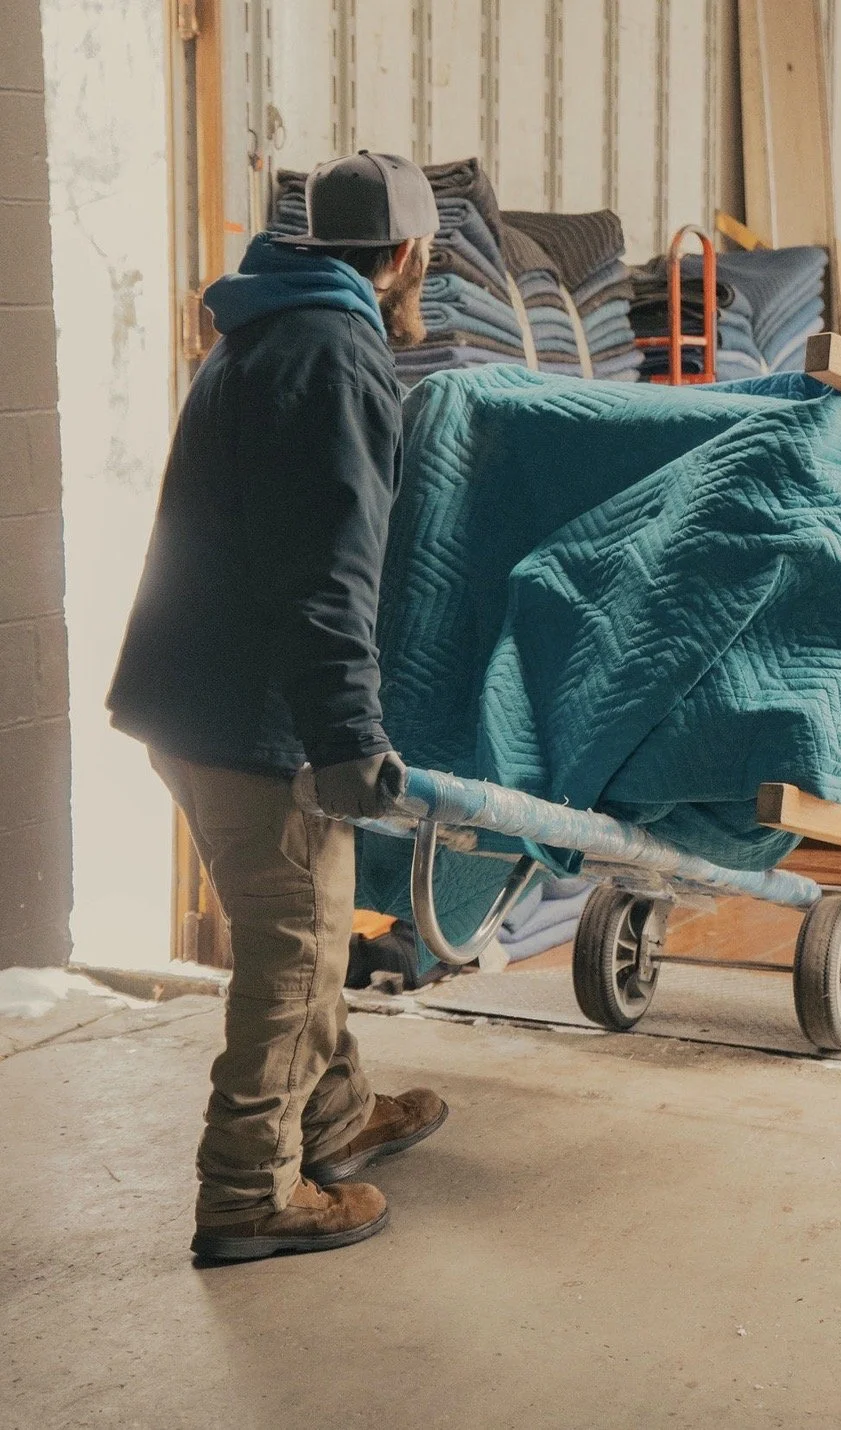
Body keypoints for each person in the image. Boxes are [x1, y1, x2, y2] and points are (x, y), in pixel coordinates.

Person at [108, 152, 447, 1262]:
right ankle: (251, 1189)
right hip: (259, 718)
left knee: (298, 928)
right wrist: (347, 733)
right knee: (294, 946)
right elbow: (329, 571)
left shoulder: (263, 325)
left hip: (184, 696)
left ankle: (337, 1118)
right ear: (403, 256)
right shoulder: (337, 353)